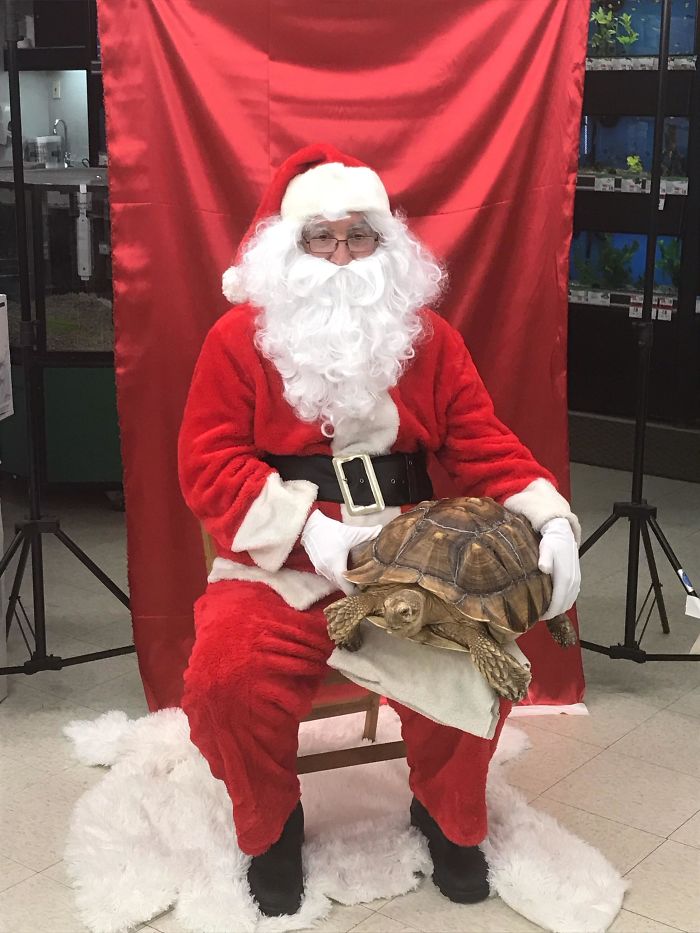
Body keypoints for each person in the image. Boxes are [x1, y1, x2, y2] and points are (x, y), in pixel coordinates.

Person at [178, 143, 581, 917]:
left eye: (357, 235)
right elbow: (208, 460)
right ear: (286, 249)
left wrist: (548, 515)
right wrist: (306, 531)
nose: (339, 254)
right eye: (319, 236)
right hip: (283, 557)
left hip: (409, 551)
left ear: (385, 244)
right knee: (225, 678)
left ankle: (446, 812)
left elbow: (483, 442)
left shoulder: (428, 339)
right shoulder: (237, 341)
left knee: (477, 660)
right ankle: (270, 824)